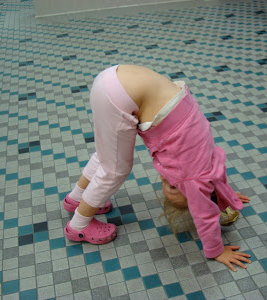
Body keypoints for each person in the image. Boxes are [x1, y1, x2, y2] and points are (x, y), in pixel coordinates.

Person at [63, 65, 252, 271]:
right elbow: (204, 215)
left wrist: (226, 195)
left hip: (119, 78)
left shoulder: (211, 158)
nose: (167, 182)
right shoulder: (193, 179)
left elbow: (217, 177)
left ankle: (76, 198)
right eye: (173, 187)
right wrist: (217, 250)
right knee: (116, 169)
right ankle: (78, 226)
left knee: (108, 155)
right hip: (118, 95)